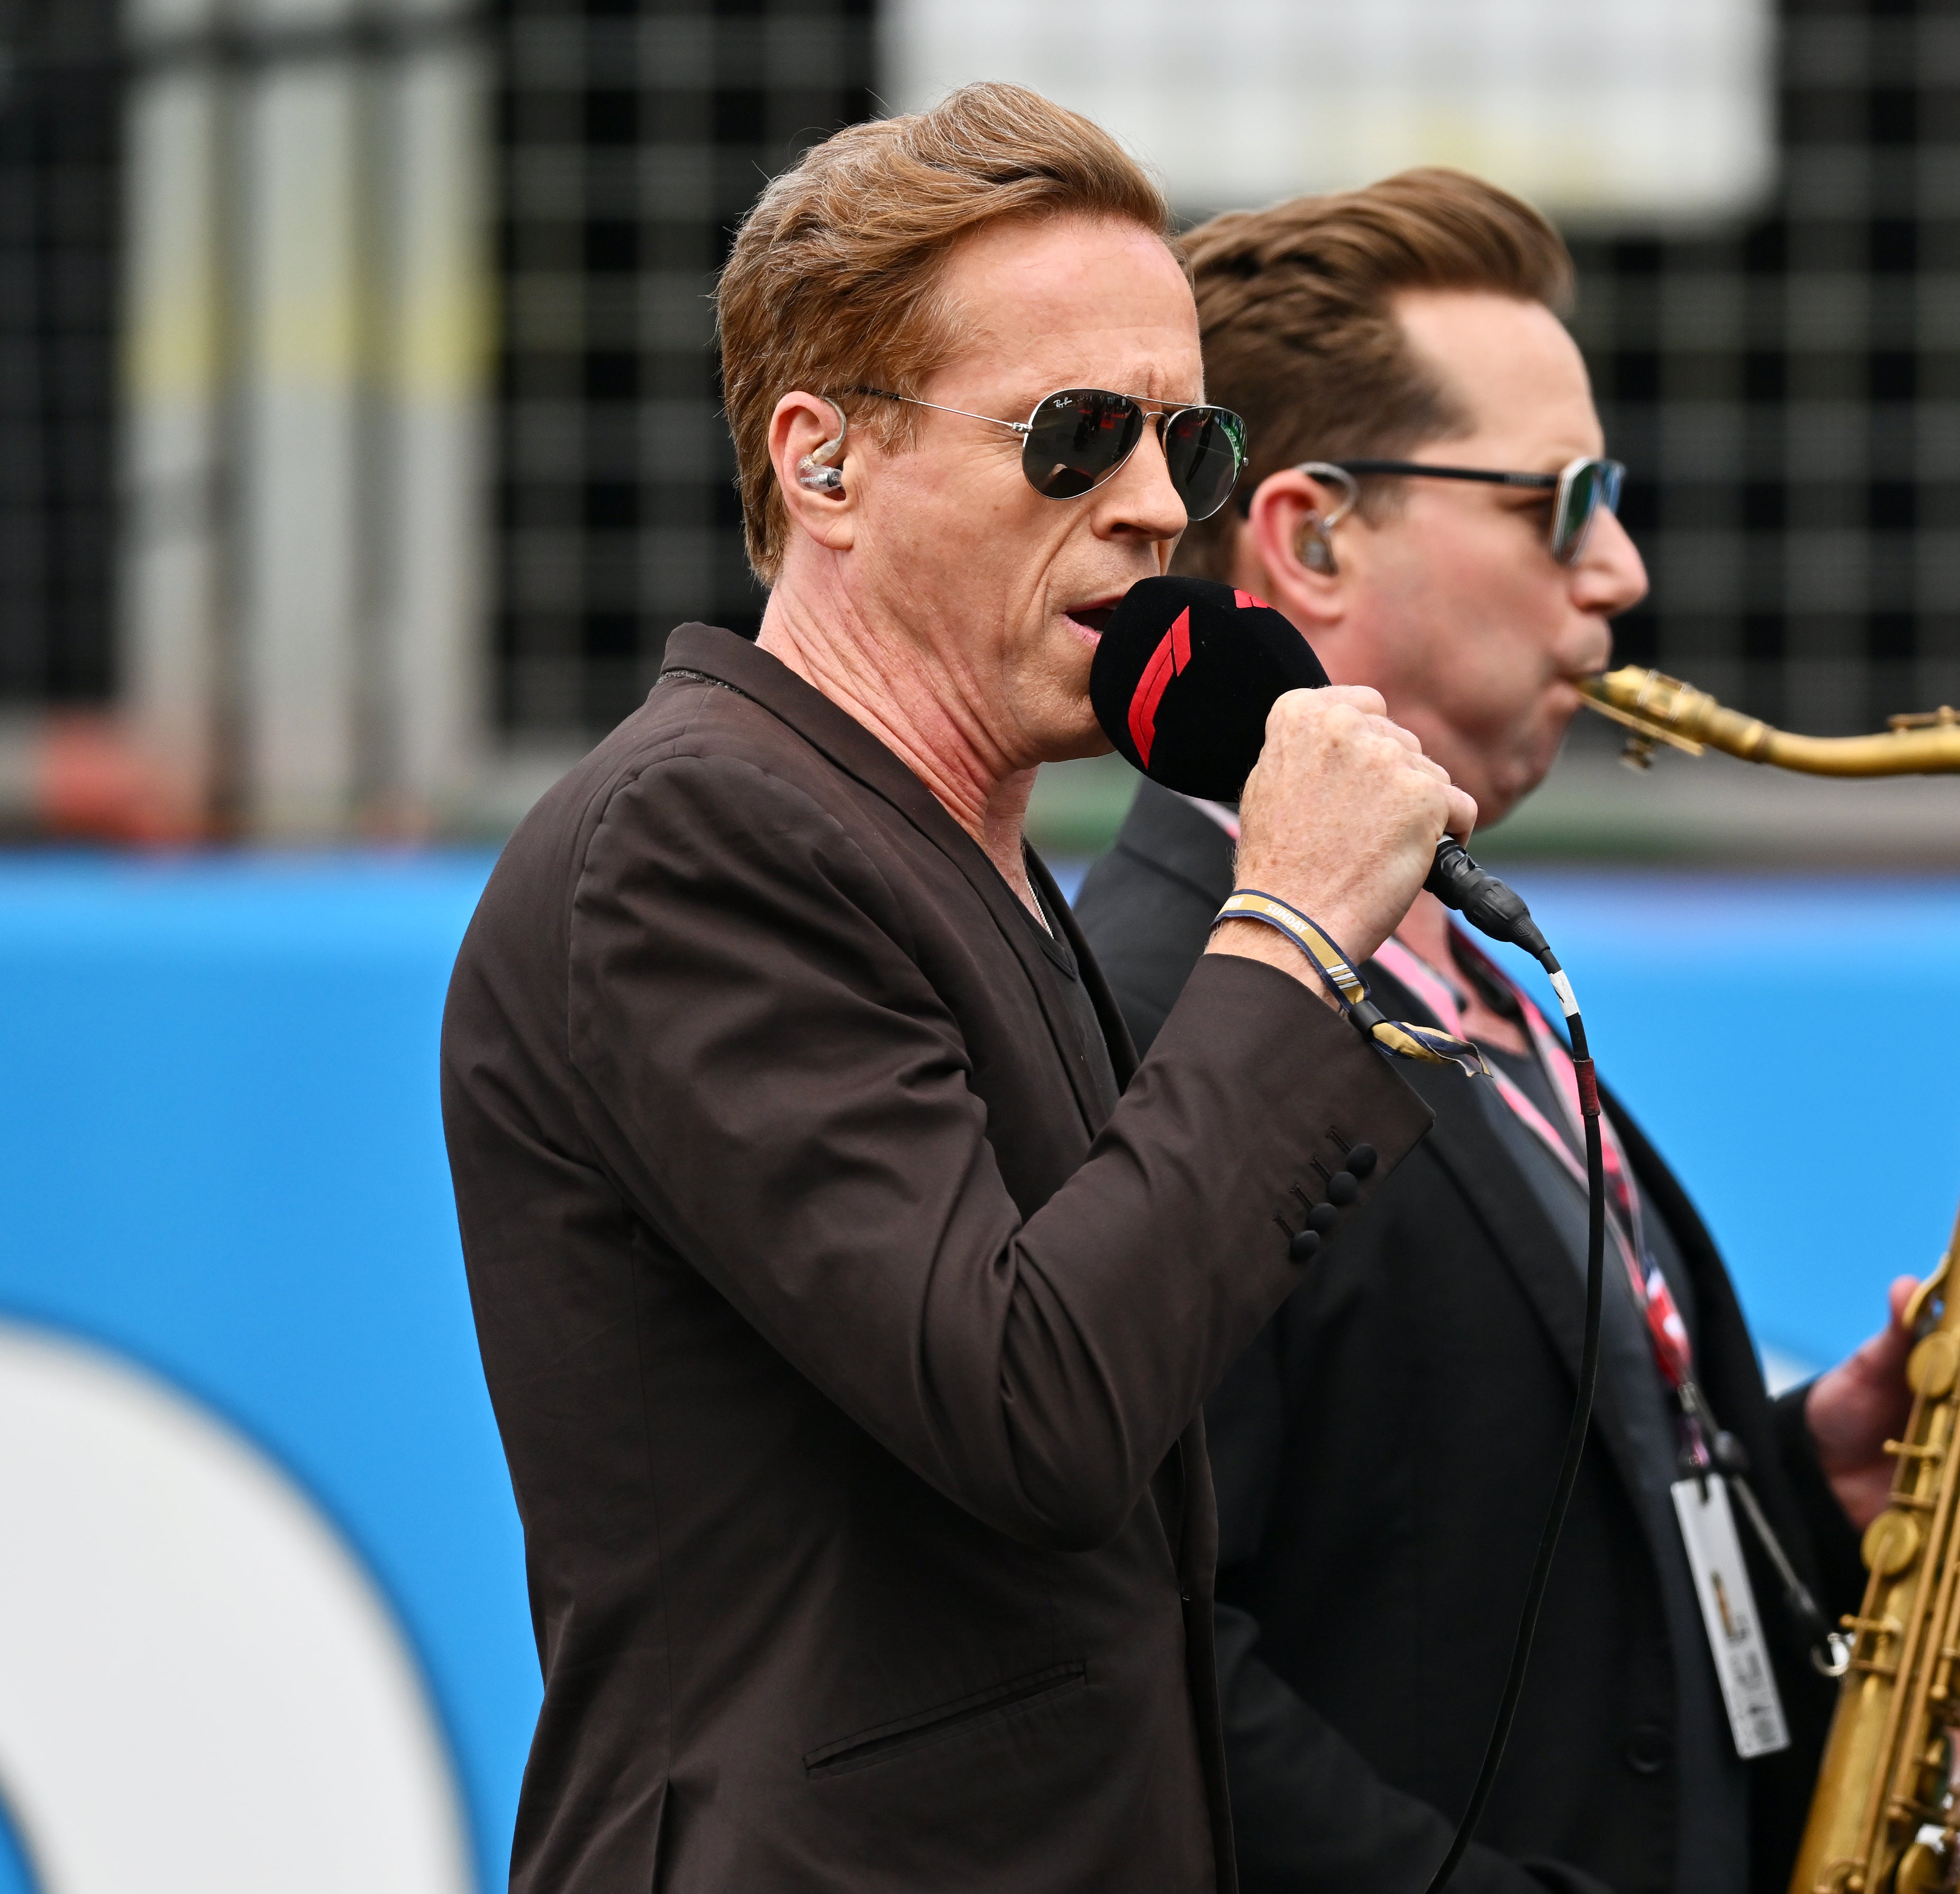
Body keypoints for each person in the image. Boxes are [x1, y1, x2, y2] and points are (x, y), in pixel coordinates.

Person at [439, 87, 1478, 1893]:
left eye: (1192, 442)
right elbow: (1034, 1404)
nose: (1157, 509)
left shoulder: (943, 840)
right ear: (823, 461)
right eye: (1076, 436)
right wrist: (1294, 933)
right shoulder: (696, 836)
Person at [1073, 170, 1960, 1894]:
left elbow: (1480, 1543)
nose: (1619, 569)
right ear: (1307, 534)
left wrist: (1798, 1480)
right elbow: (1137, 1668)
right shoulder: (1157, 1001)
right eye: (1564, 500)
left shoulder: (1462, 966)